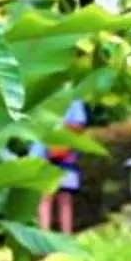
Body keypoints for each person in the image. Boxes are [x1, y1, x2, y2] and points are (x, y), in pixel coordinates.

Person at [43, 98, 88, 232]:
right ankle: (45, 237)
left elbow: (79, 126)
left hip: (66, 154)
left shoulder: (75, 100)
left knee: (65, 197)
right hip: (44, 152)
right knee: (45, 196)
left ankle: (66, 237)